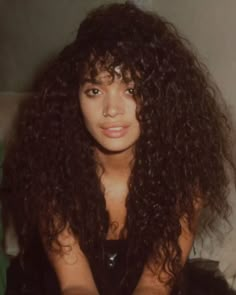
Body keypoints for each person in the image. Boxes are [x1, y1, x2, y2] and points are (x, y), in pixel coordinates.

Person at [1, 2, 236, 295]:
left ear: (160, 98)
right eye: (95, 91)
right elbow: (75, 283)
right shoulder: (52, 173)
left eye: (132, 90)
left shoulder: (184, 179)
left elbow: (154, 285)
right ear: (74, 98)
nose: (111, 109)